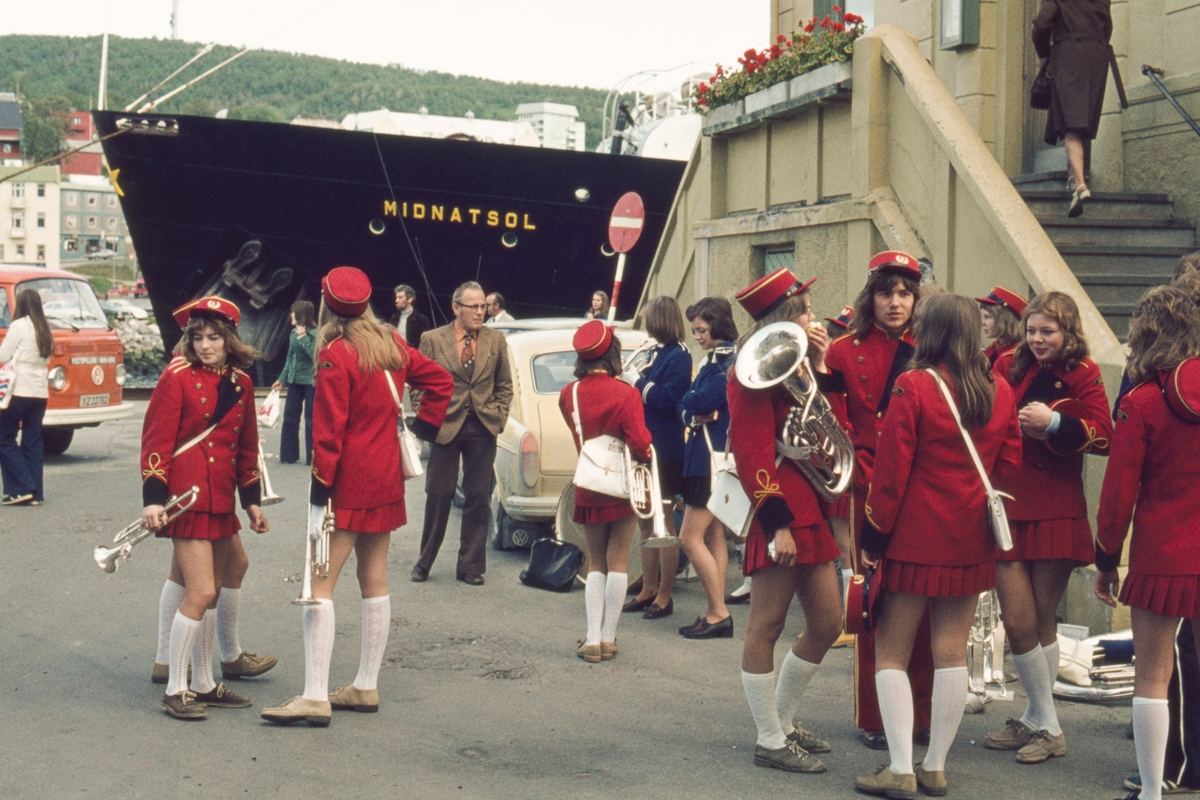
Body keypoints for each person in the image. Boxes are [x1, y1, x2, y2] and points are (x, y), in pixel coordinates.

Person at [262, 267, 452, 726]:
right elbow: (442, 383)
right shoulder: (391, 344)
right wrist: (423, 429)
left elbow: (328, 433)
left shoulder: (334, 354)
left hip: (345, 480)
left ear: (327, 305)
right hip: (385, 476)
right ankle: (366, 685)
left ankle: (313, 694)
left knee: (319, 585)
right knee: (375, 579)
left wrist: (317, 492)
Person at [853, 293, 1023, 798]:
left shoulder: (915, 384)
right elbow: (1009, 463)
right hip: (970, 536)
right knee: (951, 652)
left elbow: (889, 476)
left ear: (935, 332)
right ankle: (935, 765)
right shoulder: (999, 389)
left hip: (912, 537)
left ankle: (900, 767)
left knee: (891, 653)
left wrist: (872, 537)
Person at [987, 290, 1112, 763]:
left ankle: (1042, 722)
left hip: (1057, 505)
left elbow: (1104, 436)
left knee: (1040, 619)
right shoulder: (1006, 365)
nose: (1037, 339)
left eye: (1048, 332)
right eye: (1032, 330)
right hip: (1007, 502)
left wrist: (1056, 421)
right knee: (1017, 621)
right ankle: (1044, 721)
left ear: (1067, 332)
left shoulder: (1085, 373)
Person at [728, 267, 843, 774]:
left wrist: (819, 363)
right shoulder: (748, 370)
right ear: (785, 314)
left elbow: (833, 422)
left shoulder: (800, 364)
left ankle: (786, 721)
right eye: (805, 308)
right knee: (766, 625)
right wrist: (776, 524)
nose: (813, 315)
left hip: (810, 505)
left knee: (828, 623)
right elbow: (749, 449)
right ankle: (768, 738)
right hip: (779, 508)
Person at [819, 250, 934, 750]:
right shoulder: (844, 350)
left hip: (921, 488)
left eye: (905, 293)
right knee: (873, 603)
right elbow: (831, 421)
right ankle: (877, 717)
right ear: (872, 296)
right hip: (867, 488)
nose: (896, 302)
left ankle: (923, 715)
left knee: (925, 603)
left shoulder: (930, 346)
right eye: (886, 292)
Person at [1094, 286, 1200, 800]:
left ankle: (1154, 790)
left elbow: (1118, 495)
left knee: (1152, 677)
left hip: (1164, 555)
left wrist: (1105, 560)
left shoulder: (1142, 402)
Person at [141, 296, 268, 720]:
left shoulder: (242, 383)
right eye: (198, 337)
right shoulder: (176, 376)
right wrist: (153, 499)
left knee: (210, 594)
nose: (206, 346)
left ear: (230, 339)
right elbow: (156, 440)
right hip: (186, 498)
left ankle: (203, 682)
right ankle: (176, 689)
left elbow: (247, 447)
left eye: (214, 337)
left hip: (220, 500)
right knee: (202, 591)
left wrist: (251, 503)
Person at [559, 320, 653, 662]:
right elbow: (641, 442)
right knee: (618, 560)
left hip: (589, 483)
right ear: (613, 354)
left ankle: (593, 638)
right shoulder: (627, 393)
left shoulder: (568, 393)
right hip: (622, 485)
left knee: (595, 561)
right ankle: (610, 637)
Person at [413, 281, 513, 586]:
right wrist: (426, 417)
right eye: (474, 306)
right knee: (439, 494)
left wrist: (498, 417)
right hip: (445, 424)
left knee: (478, 497)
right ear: (456, 308)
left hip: (483, 426)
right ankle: (424, 561)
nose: (480, 312)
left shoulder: (496, 340)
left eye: (483, 306)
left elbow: (505, 385)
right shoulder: (432, 339)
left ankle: (470, 566)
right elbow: (418, 383)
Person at [621, 296, 691, 620]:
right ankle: (648, 587)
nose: (646, 325)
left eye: (650, 319)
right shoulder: (659, 351)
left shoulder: (679, 355)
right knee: (645, 519)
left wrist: (637, 380)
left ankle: (665, 594)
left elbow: (664, 399)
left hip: (666, 448)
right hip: (645, 445)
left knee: (664, 523)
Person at [676, 297, 738, 638]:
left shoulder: (726, 362)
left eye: (701, 329)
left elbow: (695, 400)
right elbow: (688, 404)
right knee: (713, 535)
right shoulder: (716, 360)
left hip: (709, 459)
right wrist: (690, 406)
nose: (697, 336)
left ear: (717, 326)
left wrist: (691, 404)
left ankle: (719, 612)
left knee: (688, 537)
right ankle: (716, 610)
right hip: (708, 456)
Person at [1032, 0, 1114, 217]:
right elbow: (1108, 28)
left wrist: (1045, 53)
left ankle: (1080, 185)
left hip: (1068, 56)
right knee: (1081, 121)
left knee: (1070, 124)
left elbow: (1041, 25)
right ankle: (1073, 176)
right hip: (1096, 57)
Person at [0, 288, 52, 506]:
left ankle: (22, 487)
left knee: (4, 437)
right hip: (40, 392)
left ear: (20, 304)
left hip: (20, 389)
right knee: (32, 440)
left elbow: (3, 355)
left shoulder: (18, 326)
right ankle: (36, 494)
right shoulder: (45, 328)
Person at [272, 300, 317, 465]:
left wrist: (304, 338)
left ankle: (313, 457)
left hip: (311, 381)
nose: (291, 315)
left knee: (310, 418)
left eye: (293, 312)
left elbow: (315, 356)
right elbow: (290, 359)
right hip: (294, 380)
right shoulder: (292, 334)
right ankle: (288, 455)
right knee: (290, 417)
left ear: (300, 315)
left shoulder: (316, 333)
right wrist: (281, 379)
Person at [977, 286, 1027, 366]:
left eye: (987, 317)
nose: (982, 323)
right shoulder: (994, 347)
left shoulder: (1016, 355)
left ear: (1005, 320)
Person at [391, 284, 431, 348]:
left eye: (400, 297)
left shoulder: (421, 320)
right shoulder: (394, 318)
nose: (396, 300)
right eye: (396, 297)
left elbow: (425, 344)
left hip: (413, 355)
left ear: (409, 299)